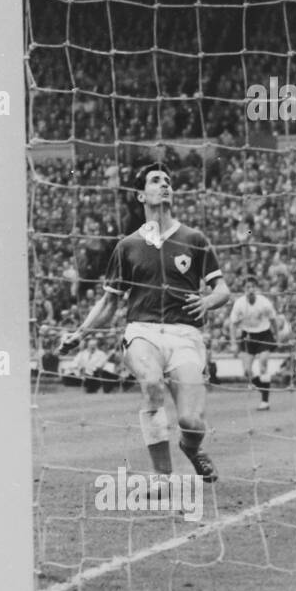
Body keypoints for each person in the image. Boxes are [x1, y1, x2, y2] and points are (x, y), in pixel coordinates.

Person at [59, 162, 230, 481]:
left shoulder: (194, 238)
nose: (164, 184)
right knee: (151, 385)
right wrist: (80, 333)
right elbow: (109, 302)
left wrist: (207, 300)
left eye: (167, 180)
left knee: (192, 421)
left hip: (185, 335)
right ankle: (162, 475)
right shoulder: (128, 246)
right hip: (142, 331)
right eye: (155, 180)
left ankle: (192, 448)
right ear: (141, 195)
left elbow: (223, 290)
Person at [225, 277, 285, 411]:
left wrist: (278, 337)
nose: (250, 290)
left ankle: (265, 401)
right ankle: (263, 389)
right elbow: (232, 324)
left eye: (253, 287)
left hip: (264, 334)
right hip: (248, 336)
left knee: (263, 363)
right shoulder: (239, 304)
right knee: (247, 372)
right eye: (247, 287)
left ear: (256, 288)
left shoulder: (264, 302)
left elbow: (273, 320)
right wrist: (233, 343)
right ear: (244, 290)